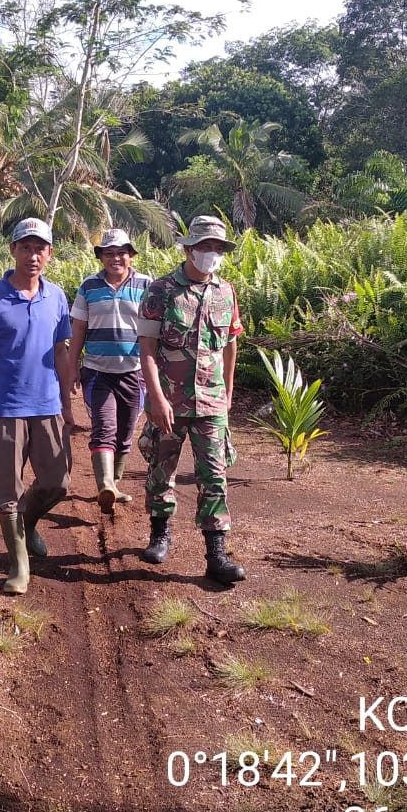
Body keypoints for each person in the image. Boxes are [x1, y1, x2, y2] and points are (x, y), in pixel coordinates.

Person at [0, 217, 75, 595]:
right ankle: (18, 564)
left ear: (50, 254)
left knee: (58, 481)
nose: (33, 255)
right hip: (4, 408)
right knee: (7, 489)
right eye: (25, 247)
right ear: (13, 250)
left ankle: (29, 521)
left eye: (40, 248)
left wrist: (67, 402)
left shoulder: (56, 296)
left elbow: (61, 351)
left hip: (46, 406)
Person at [136, 215, 247, 585]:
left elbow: (230, 346)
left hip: (212, 400)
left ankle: (216, 554)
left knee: (214, 476)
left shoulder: (226, 292)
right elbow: (148, 348)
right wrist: (156, 397)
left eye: (217, 248)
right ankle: (160, 534)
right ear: (187, 249)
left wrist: (228, 393)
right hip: (169, 400)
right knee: (160, 468)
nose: (212, 254)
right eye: (204, 248)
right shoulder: (162, 290)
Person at [67, 228, 153, 514]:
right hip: (98, 371)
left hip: (134, 372)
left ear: (130, 255)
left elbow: (155, 331)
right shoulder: (89, 286)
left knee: (126, 433)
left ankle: (114, 485)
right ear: (101, 257)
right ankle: (105, 484)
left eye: (121, 252)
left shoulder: (146, 285)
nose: (115, 258)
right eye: (109, 253)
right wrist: (72, 366)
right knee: (104, 428)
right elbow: (78, 327)